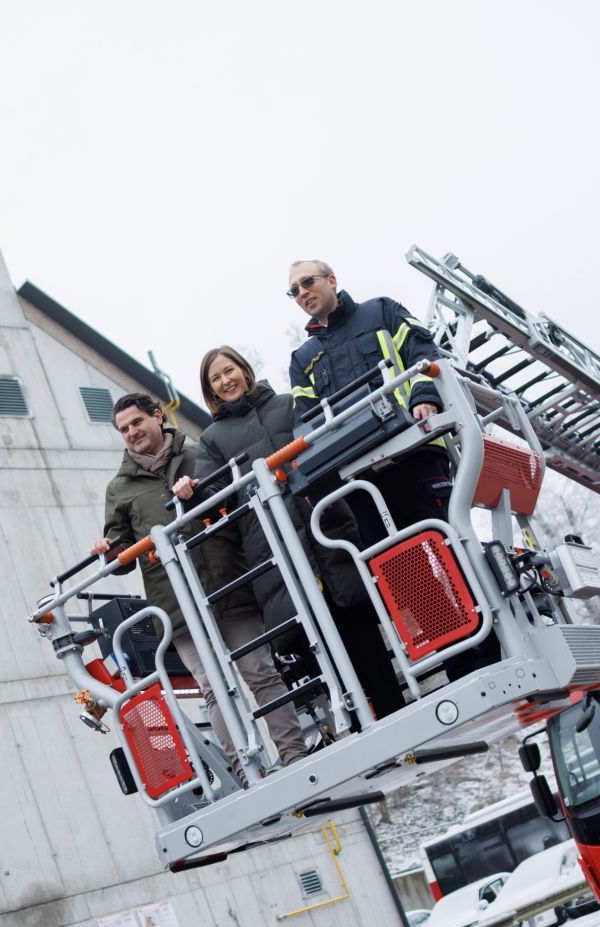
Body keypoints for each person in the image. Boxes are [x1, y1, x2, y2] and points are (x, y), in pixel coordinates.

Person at [285, 259, 500, 678]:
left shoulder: (382, 311)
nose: (302, 293)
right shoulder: (304, 358)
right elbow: (305, 420)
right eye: (293, 290)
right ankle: (458, 654)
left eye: (307, 282)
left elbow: (422, 354)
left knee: (447, 545)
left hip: (415, 451)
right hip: (363, 477)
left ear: (332, 279)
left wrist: (426, 397)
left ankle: (494, 639)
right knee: (403, 567)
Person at [173, 347, 406, 720]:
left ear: (245, 372)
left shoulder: (287, 405)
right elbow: (213, 496)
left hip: (324, 527)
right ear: (211, 391)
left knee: (362, 633)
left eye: (229, 370)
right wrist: (190, 490)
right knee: (321, 652)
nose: (225, 381)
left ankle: (396, 717)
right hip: (275, 549)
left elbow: (325, 443)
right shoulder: (214, 438)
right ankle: (359, 729)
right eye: (215, 379)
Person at [91, 392, 306, 769]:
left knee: (260, 671)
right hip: (176, 601)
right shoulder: (119, 488)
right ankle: (248, 772)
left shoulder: (198, 453)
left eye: (137, 422)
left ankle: (295, 755)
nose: (131, 432)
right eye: (123, 429)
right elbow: (122, 552)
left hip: (228, 581)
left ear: (158, 416)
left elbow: (234, 502)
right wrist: (109, 551)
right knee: (214, 689)